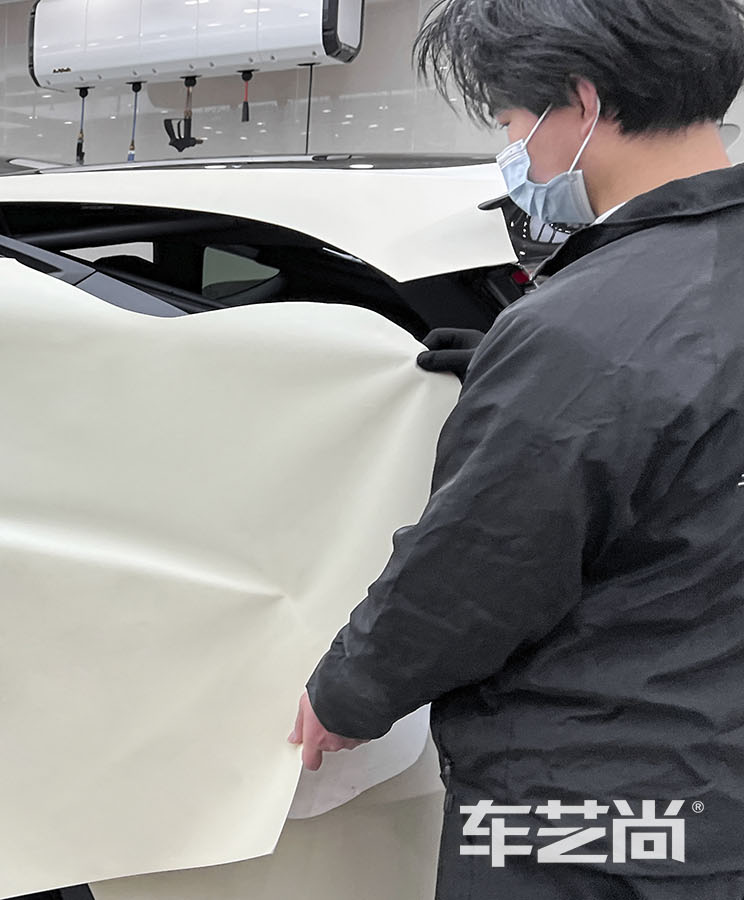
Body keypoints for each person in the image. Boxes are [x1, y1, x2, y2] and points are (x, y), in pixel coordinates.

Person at [288, 0, 744, 896]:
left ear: (581, 101)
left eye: (508, 122)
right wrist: (526, 377)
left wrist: (347, 695)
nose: (513, 151)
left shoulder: (585, 328)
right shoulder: (658, 300)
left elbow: (478, 569)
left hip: (591, 805)